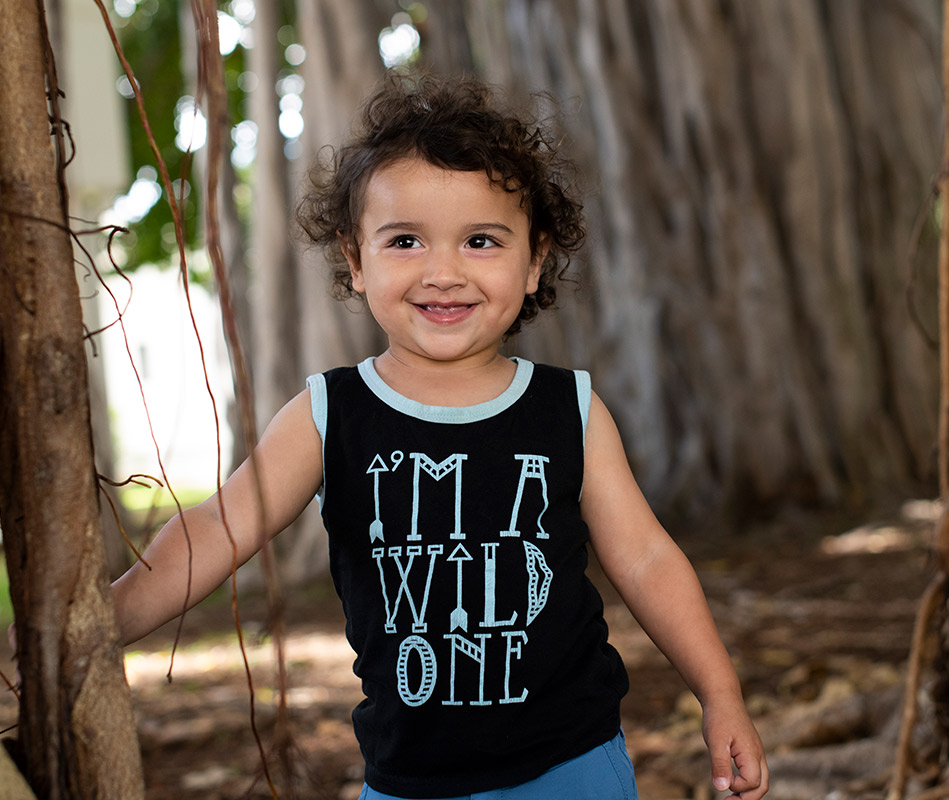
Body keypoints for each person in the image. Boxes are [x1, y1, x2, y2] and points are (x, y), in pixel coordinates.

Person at [110, 73, 768, 800]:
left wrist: (720, 693)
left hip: (571, 764)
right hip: (408, 780)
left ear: (535, 260)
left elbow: (645, 560)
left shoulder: (566, 410)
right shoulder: (330, 413)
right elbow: (219, 526)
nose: (444, 272)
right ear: (356, 261)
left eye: (481, 240)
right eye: (405, 241)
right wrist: (101, 620)